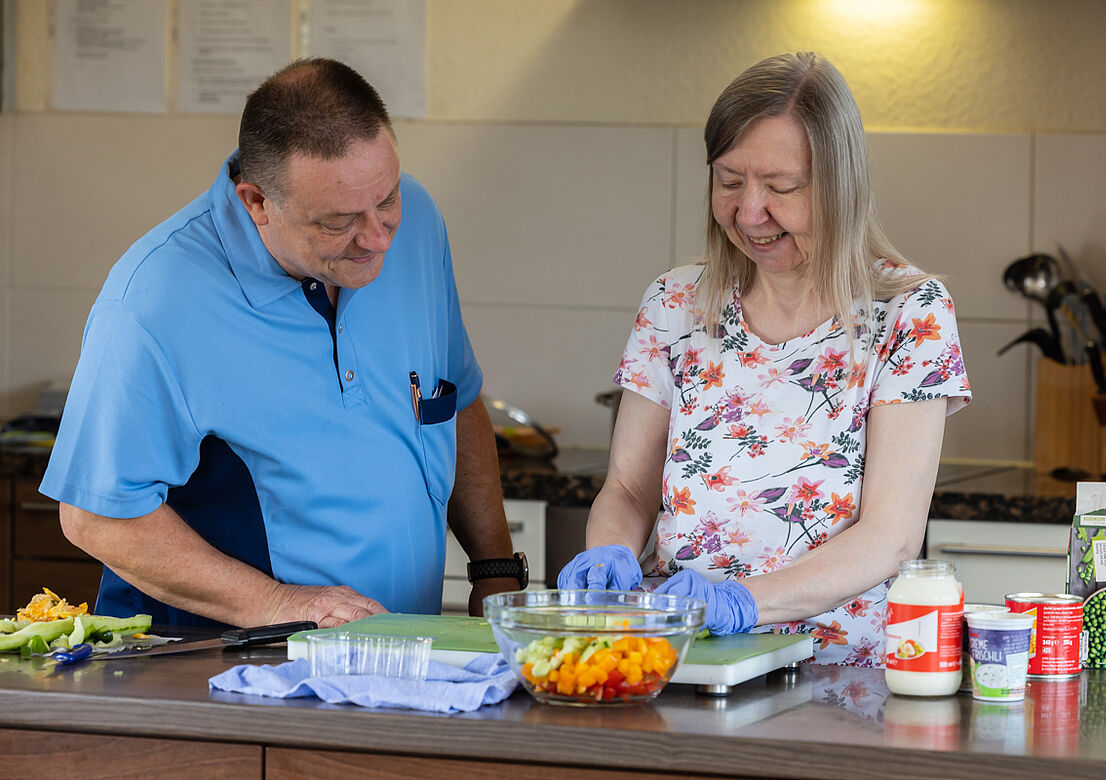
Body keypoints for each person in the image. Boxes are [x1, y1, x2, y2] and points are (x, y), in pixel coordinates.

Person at [39, 58, 524, 630]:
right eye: (339, 221)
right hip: (222, 668)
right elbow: (96, 515)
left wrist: (494, 567)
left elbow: (454, 397)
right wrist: (280, 605)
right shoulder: (154, 299)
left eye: (387, 200)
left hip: (395, 653)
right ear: (256, 202)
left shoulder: (414, 224)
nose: (376, 239)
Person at [558, 52, 971, 666]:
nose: (750, 213)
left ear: (840, 187)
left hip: (836, 679)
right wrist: (611, 549)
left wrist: (741, 602)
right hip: (676, 658)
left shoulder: (909, 314)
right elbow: (627, 487)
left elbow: (892, 536)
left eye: (780, 188)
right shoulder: (676, 303)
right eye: (729, 182)